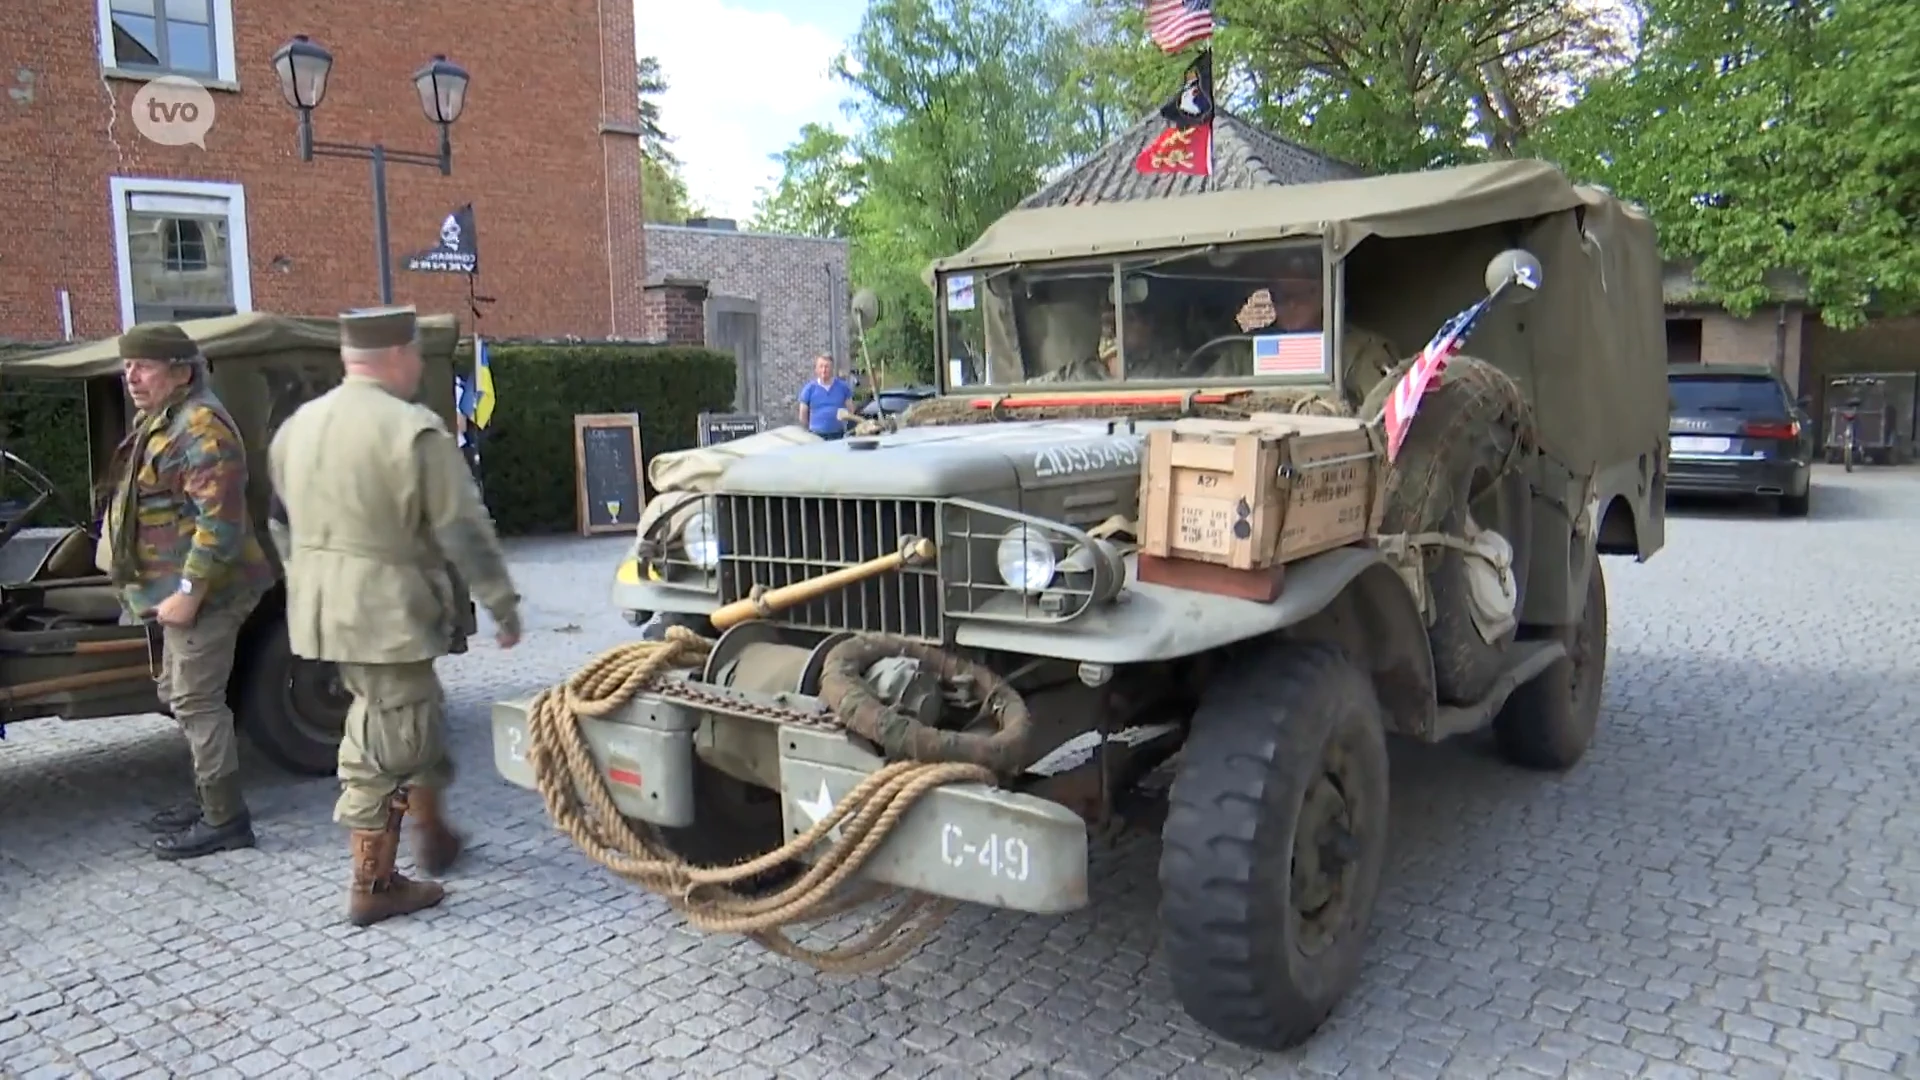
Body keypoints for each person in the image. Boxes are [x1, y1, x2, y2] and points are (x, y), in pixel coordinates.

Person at [267, 305, 524, 927]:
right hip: (387, 612)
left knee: (412, 711)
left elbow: (277, 520)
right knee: (385, 739)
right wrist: (502, 604)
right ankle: (373, 884)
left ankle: (434, 834)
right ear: (400, 356)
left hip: (322, 609)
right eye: (414, 356)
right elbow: (464, 527)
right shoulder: (413, 431)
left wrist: (311, 578)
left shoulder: (296, 427)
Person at [103, 322, 275, 861]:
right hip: (174, 589)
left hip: (210, 592)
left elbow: (218, 524)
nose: (131, 375)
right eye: (128, 365)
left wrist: (189, 593)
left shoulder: (201, 429)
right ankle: (208, 799)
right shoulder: (162, 418)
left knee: (198, 701)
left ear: (180, 372)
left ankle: (226, 819)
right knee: (179, 695)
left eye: (144, 365)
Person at [1236, 271, 1402, 408]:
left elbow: (1382, 413)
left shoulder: (1360, 351)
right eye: (1283, 296)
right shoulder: (1245, 350)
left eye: (1302, 295)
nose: (1292, 304)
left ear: (1324, 294)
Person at [797, 354, 854, 439]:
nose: (824, 370)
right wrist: (809, 431)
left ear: (832, 369)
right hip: (816, 436)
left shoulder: (843, 387)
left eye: (827, 367)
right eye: (821, 367)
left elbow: (851, 411)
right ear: (816, 369)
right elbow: (802, 415)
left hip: (838, 435)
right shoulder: (809, 389)